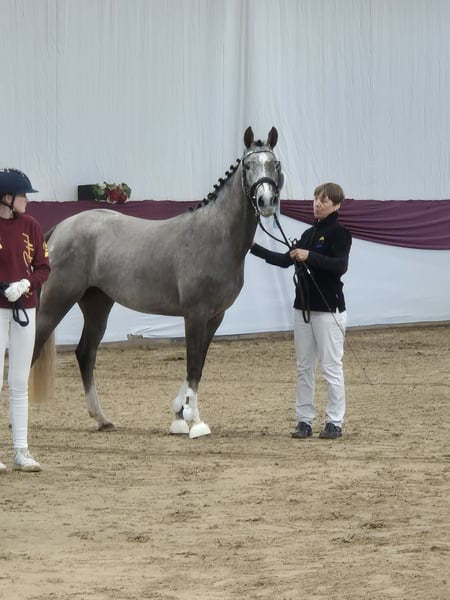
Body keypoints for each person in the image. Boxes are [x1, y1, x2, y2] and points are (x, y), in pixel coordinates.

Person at [251, 182, 352, 439]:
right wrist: (252, 248)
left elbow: (340, 266)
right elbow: (284, 260)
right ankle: (304, 420)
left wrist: (310, 256)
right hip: (303, 309)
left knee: (331, 368)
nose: (317, 204)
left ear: (336, 205)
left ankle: (334, 421)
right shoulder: (308, 234)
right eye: (316, 199)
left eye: (324, 201)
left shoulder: (340, 233)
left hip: (328, 310)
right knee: (304, 367)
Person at [0, 168, 50, 472]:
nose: (27, 200)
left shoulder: (31, 226)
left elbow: (44, 267)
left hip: (25, 307)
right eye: (23, 195)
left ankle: (21, 449)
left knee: (19, 381)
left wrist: (26, 284)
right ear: (6, 198)